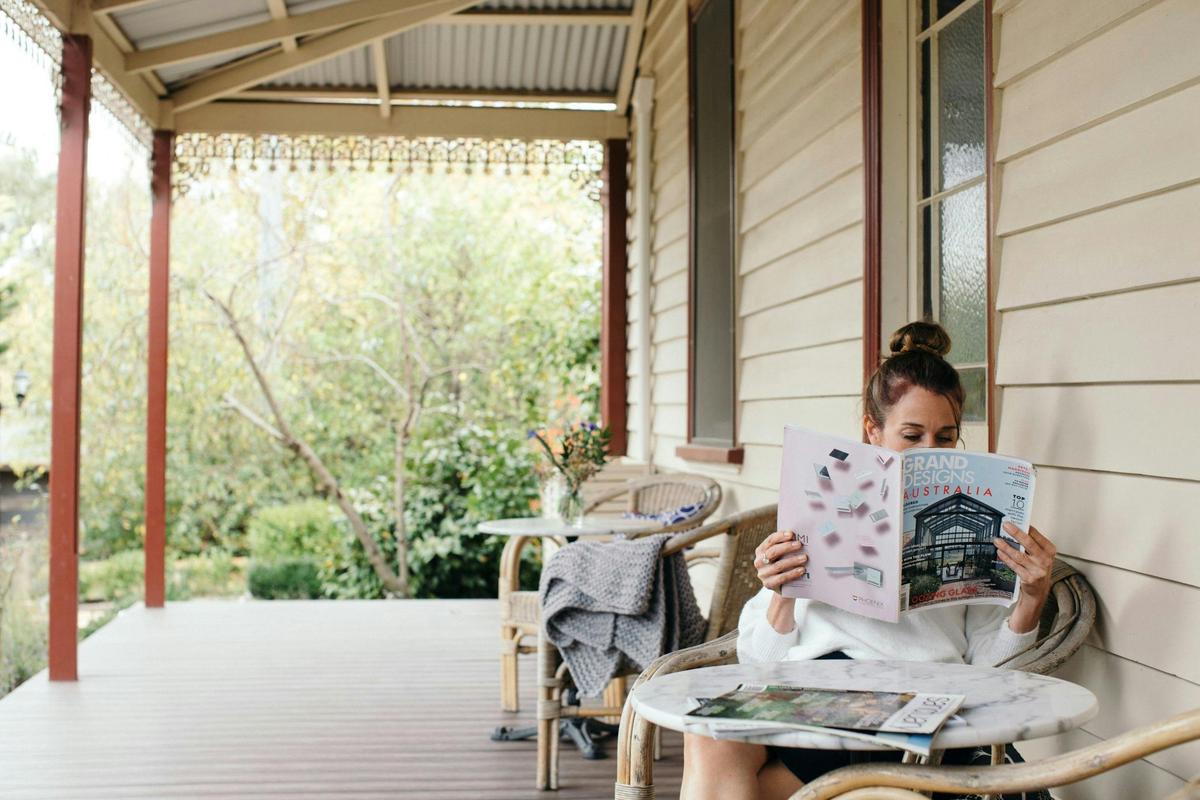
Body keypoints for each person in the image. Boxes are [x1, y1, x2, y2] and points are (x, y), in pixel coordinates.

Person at [680, 321, 1058, 800]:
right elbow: (757, 661)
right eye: (911, 434)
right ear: (872, 432)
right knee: (709, 736)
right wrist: (782, 596)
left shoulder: (983, 520)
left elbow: (991, 676)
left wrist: (1029, 600)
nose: (929, 450)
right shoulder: (822, 503)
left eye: (944, 438)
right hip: (816, 704)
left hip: (913, 710)